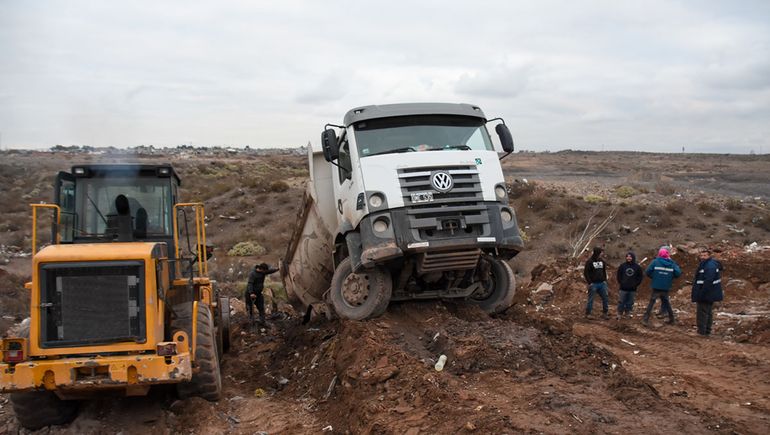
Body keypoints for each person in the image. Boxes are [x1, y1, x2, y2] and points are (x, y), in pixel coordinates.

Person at [642, 247, 682, 326]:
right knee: (666, 302)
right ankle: (672, 319)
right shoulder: (672, 263)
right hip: (666, 286)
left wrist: (654, 277)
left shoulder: (655, 262)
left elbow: (647, 271)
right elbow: (678, 273)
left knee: (651, 302)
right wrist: (670, 277)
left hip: (656, 285)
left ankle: (645, 319)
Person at [691, 248, 723, 336]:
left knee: (703, 312)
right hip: (709, 293)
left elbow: (708, 281)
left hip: (707, 293)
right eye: (701, 255)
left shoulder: (709, 266)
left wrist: (701, 293)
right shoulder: (706, 264)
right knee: (707, 312)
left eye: (705, 255)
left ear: (709, 256)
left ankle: (702, 332)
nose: (702, 257)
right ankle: (706, 331)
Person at [584, 247, 610, 320]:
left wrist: (604, 280)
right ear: (597, 253)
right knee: (591, 299)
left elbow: (604, 271)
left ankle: (605, 313)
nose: (602, 254)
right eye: (601, 252)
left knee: (605, 298)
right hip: (593, 284)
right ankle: (588, 314)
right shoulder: (589, 262)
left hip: (602, 283)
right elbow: (586, 273)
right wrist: (590, 282)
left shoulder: (602, 261)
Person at [616, 251, 643, 319]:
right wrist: (621, 283)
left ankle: (628, 313)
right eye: (627, 256)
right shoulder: (622, 266)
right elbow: (618, 275)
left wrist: (636, 284)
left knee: (630, 302)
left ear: (633, 257)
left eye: (630, 257)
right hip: (623, 288)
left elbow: (640, 277)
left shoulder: (637, 267)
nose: (628, 258)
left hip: (632, 289)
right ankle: (619, 313)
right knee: (621, 301)